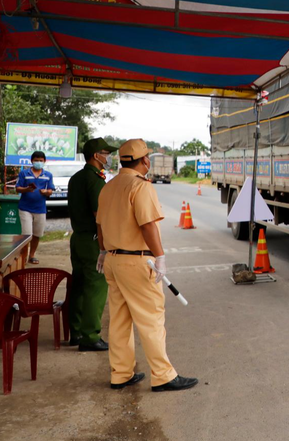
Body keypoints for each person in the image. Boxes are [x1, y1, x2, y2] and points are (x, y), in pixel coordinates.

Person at [96, 139, 198, 392]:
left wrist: (102, 251)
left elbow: (98, 224)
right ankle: (163, 376)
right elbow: (148, 225)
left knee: (119, 320)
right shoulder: (140, 187)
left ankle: (120, 374)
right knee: (151, 319)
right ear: (144, 161)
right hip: (136, 261)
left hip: (112, 259)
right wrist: (160, 256)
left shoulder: (108, 187)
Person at [67, 138, 118, 351]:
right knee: (96, 286)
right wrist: (105, 247)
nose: (108, 157)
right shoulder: (95, 180)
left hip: (77, 237)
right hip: (92, 240)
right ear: (96, 156)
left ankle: (76, 332)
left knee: (78, 285)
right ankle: (90, 336)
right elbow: (100, 216)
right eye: (105, 153)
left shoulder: (76, 178)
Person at [15, 151, 54, 264]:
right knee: (26, 234)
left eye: (41, 161)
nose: (38, 162)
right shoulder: (24, 173)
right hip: (25, 208)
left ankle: (32, 255)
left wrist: (46, 192)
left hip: (40, 208)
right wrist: (26, 189)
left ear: (44, 161)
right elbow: (18, 188)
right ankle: (23, 256)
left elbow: (50, 190)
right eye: (36, 160)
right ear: (32, 161)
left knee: (37, 234)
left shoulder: (48, 175)